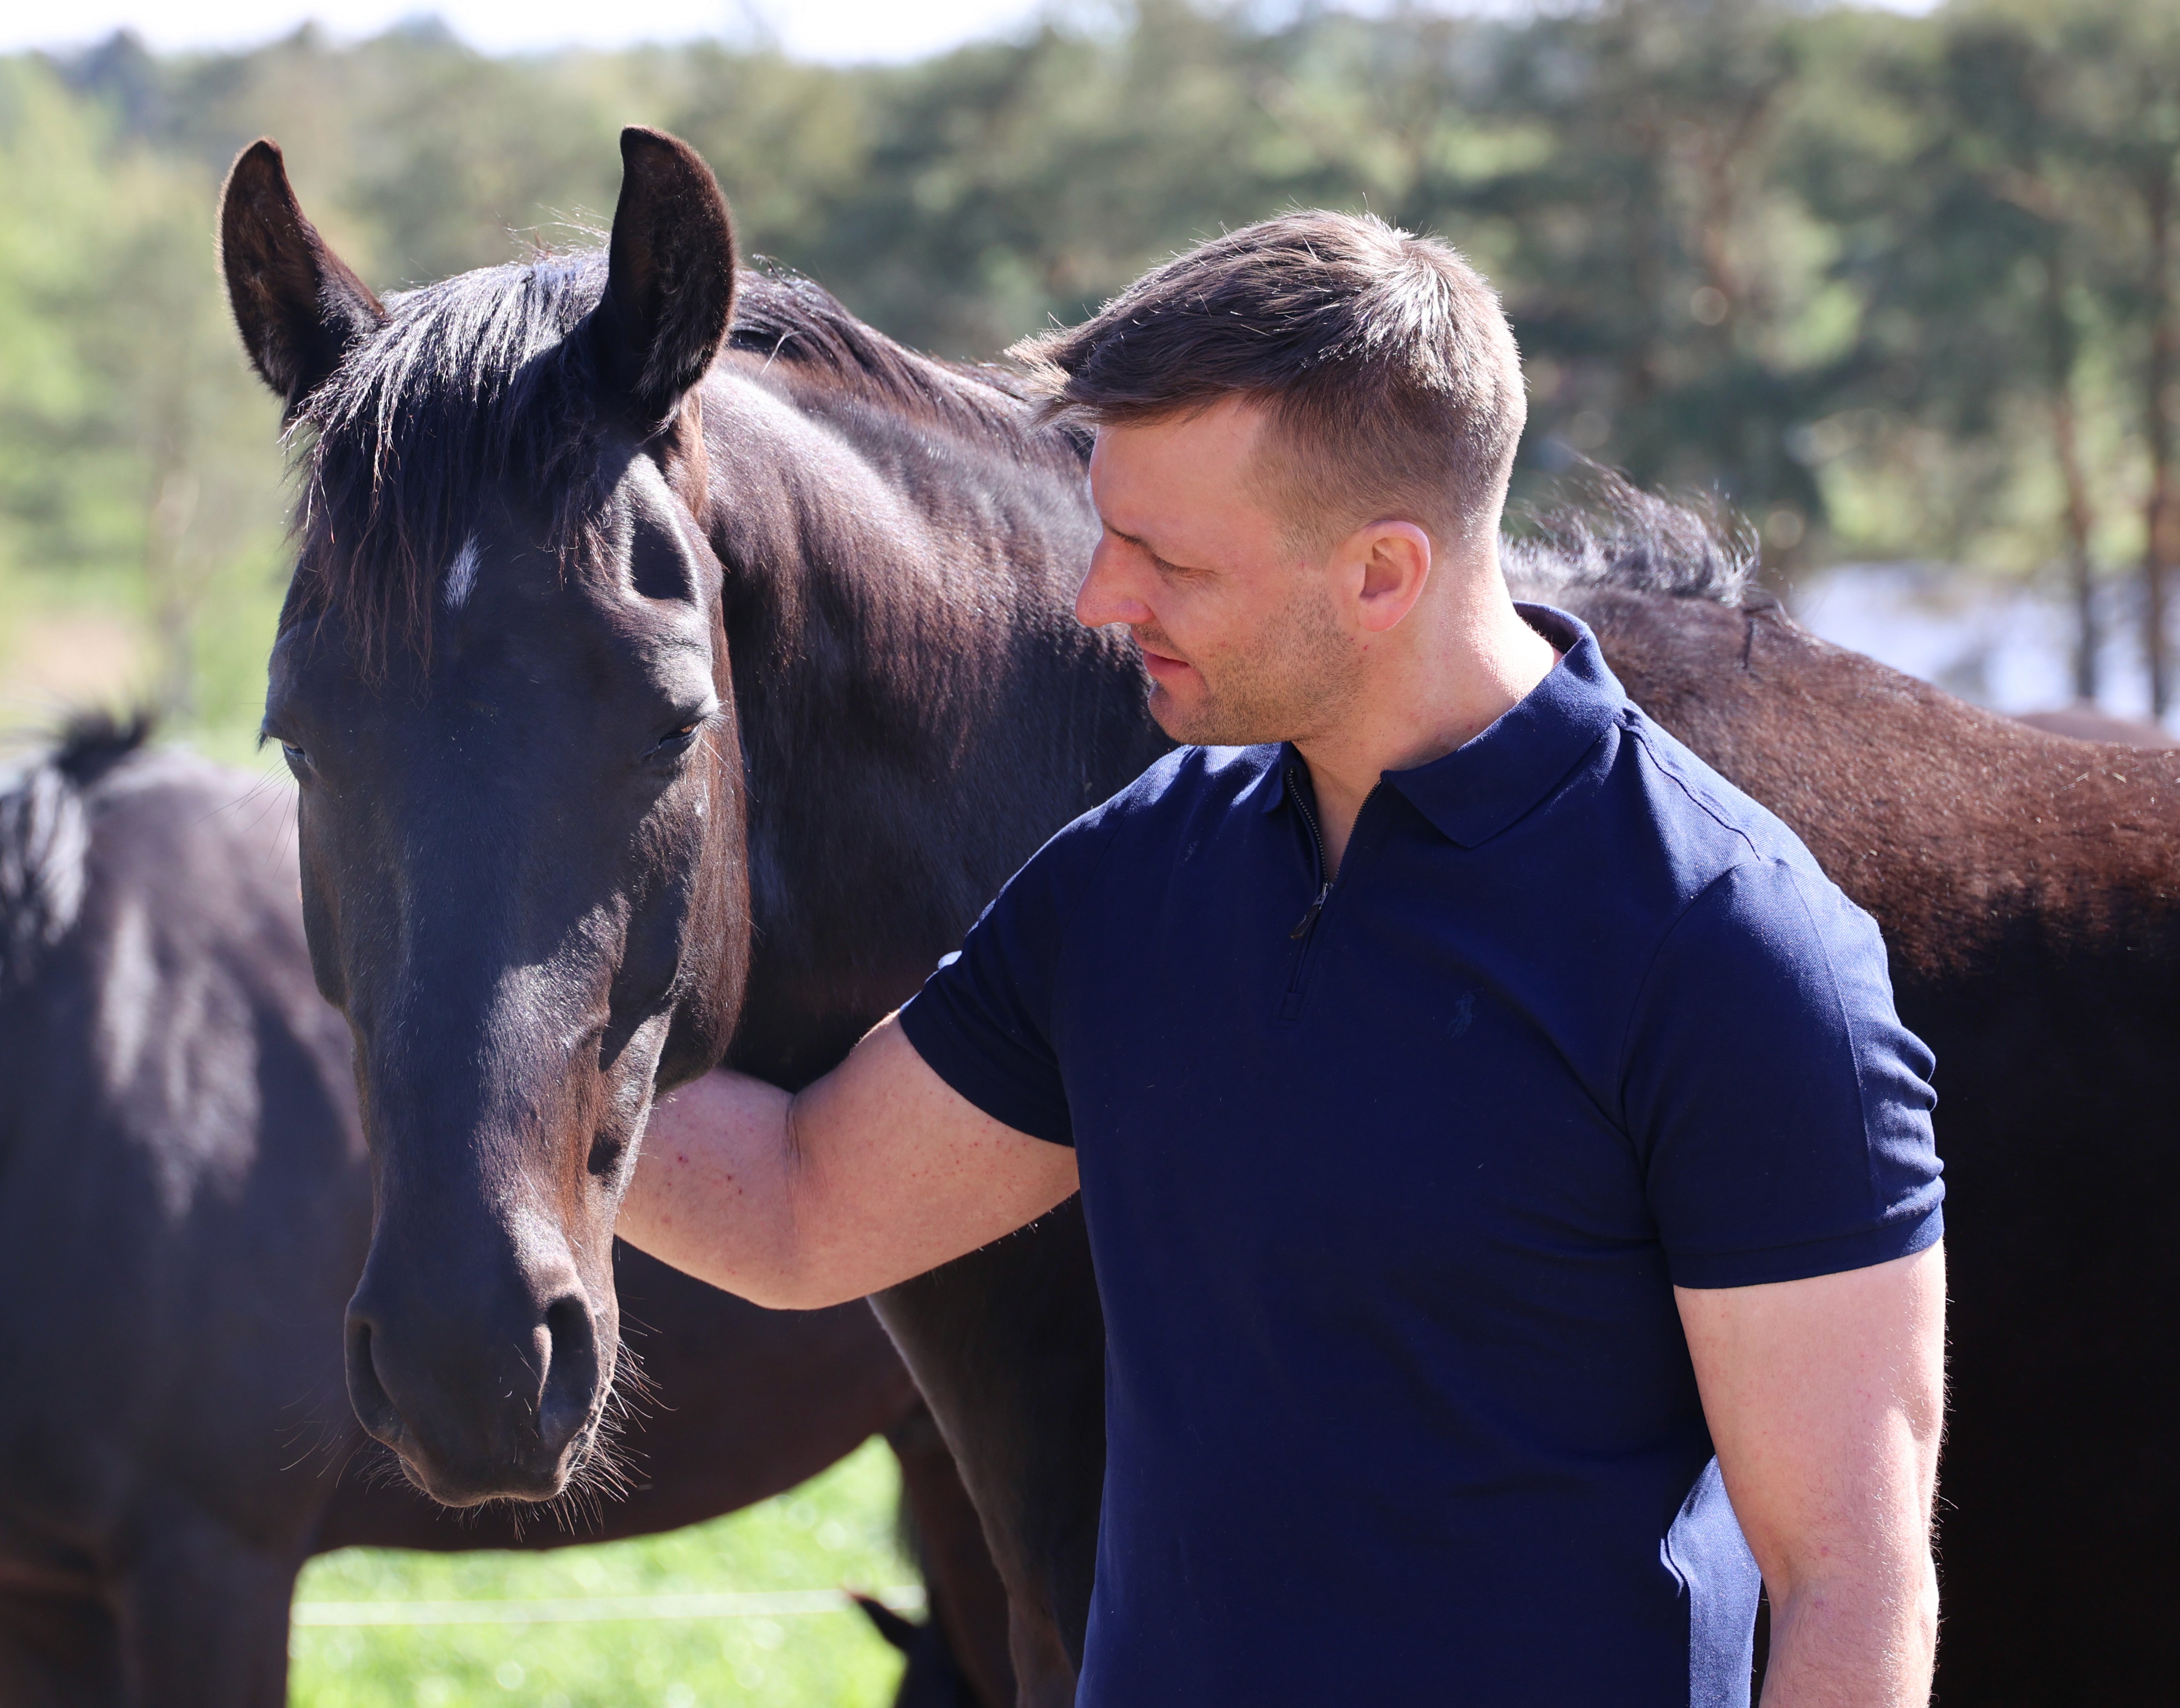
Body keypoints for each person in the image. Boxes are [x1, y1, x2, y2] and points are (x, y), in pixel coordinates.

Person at [617, 211, 1944, 1707]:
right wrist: (485, 1068)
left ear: (1382, 575)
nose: (1101, 600)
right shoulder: (1134, 871)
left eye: (1166, 558)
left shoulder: (1727, 947)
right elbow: (804, 1204)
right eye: (1105, 527)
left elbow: (1850, 1578)